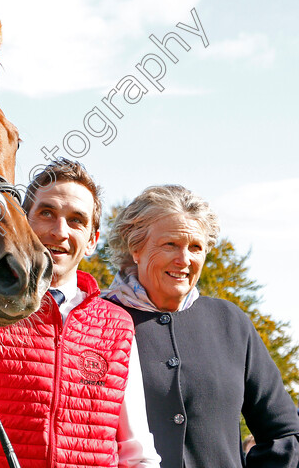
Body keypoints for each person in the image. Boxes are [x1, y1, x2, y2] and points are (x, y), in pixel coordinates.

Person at [0, 159, 161, 468]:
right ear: (23, 222)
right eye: (47, 213)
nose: (60, 231)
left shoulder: (117, 324)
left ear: (92, 240)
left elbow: (136, 451)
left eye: (76, 220)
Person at [102, 184, 299, 468]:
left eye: (196, 247)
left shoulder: (231, 322)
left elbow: (284, 435)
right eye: (170, 244)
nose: (184, 260)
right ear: (135, 247)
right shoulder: (95, 320)